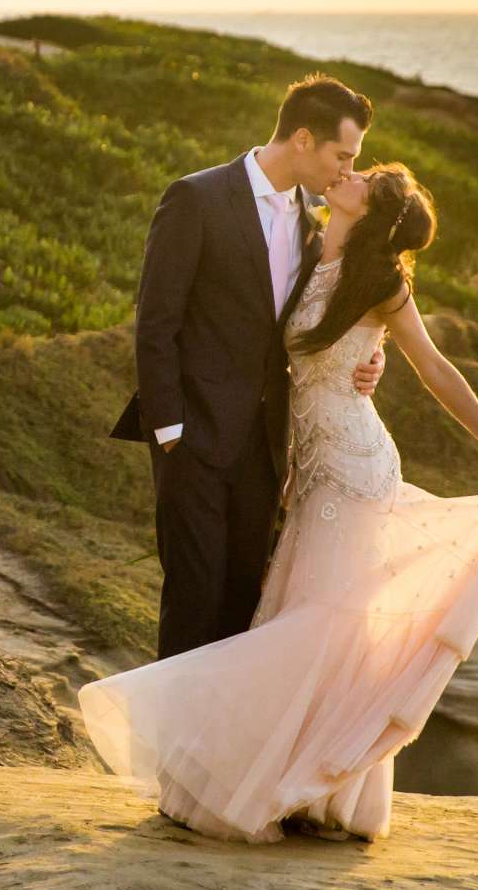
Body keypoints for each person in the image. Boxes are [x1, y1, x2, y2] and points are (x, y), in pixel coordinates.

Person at [81, 159, 478, 844]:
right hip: (301, 465)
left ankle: (302, 785)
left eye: (364, 176)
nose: (347, 173)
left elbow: (436, 367)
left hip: (354, 468)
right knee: (300, 616)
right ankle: (302, 790)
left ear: (372, 210)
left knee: (322, 627)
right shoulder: (299, 248)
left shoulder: (381, 283)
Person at [108, 74, 388, 661]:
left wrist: (371, 353)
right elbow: (157, 322)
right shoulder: (197, 198)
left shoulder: (313, 224)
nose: (346, 170)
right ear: (304, 139)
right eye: (344, 156)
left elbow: (310, 320)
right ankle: (168, 752)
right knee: (193, 598)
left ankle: (220, 752)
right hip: (192, 439)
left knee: (243, 605)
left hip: (264, 450)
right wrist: (169, 433)